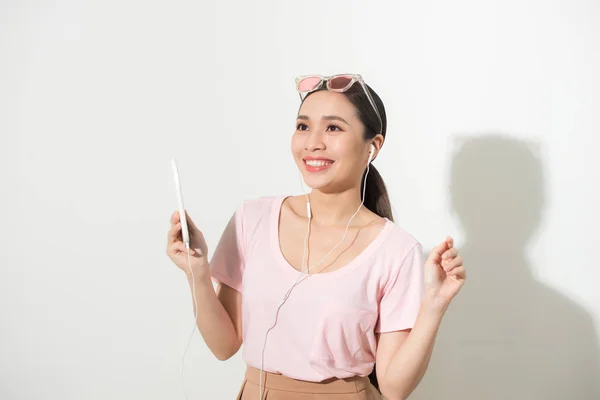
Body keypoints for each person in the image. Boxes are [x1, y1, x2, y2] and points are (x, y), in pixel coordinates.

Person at [166, 74, 467, 400]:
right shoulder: (252, 219)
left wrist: (433, 306)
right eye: (303, 126)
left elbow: (393, 388)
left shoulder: (397, 250)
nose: (313, 142)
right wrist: (196, 274)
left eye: (333, 128)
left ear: (373, 146)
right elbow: (224, 345)